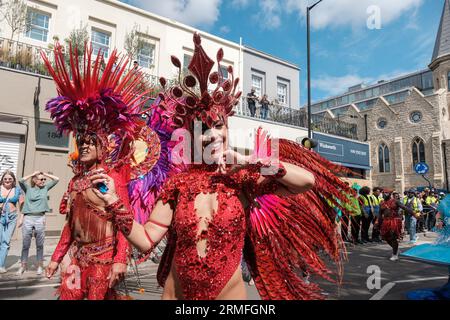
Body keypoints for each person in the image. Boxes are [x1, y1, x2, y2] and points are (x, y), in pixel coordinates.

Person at [104, 33, 353, 300]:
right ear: (190, 136)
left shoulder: (244, 179)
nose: (211, 135)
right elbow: (145, 239)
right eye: (202, 129)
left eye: (218, 126)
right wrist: (114, 203)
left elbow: (306, 181)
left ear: (227, 128)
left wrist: (253, 162)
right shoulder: (177, 185)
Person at [41, 42, 173, 300]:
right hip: (76, 259)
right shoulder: (76, 181)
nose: (85, 145)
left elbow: (124, 222)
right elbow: (70, 227)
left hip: (102, 261)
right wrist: (57, 259)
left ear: (103, 146)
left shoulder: (110, 179)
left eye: (91, 141)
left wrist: (120, 260)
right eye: (81, 141)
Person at [16, 171, 59, 275]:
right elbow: (20, 180)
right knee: (26, 244)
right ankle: (23, 266)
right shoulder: (28, 189)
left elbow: (57, 179)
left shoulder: (45, 188)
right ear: (35, 181)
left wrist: (45, 174)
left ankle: (39, 266)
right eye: (41, 179)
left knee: (40, 244)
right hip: (28, 218)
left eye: (44, 179)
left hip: (40, 218)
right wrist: (32, 174)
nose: (43, 181)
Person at [0, 170, 24, 273]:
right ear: (2, 180)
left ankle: (1, 265)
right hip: (0, 216)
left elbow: (22, 205)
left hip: (12, 217)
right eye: (5, 178)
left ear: (13, 180)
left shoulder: (18, 190)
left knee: (6, 241)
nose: (7, 180)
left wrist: (21, 218)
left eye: (10, 178)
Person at [380, 191, 413, 261]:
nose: (385, 194)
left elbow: (405, 208)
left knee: (393, 237)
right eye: (384, 193)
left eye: (387, 193)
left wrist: (414, 214)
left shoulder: (396, 201)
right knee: (385, 237)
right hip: (385, 222)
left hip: (394, 221)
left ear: (390, 194)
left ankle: (395, 254)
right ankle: (396, 249)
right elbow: (380, 214)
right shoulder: (382, 203)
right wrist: (377, 223)